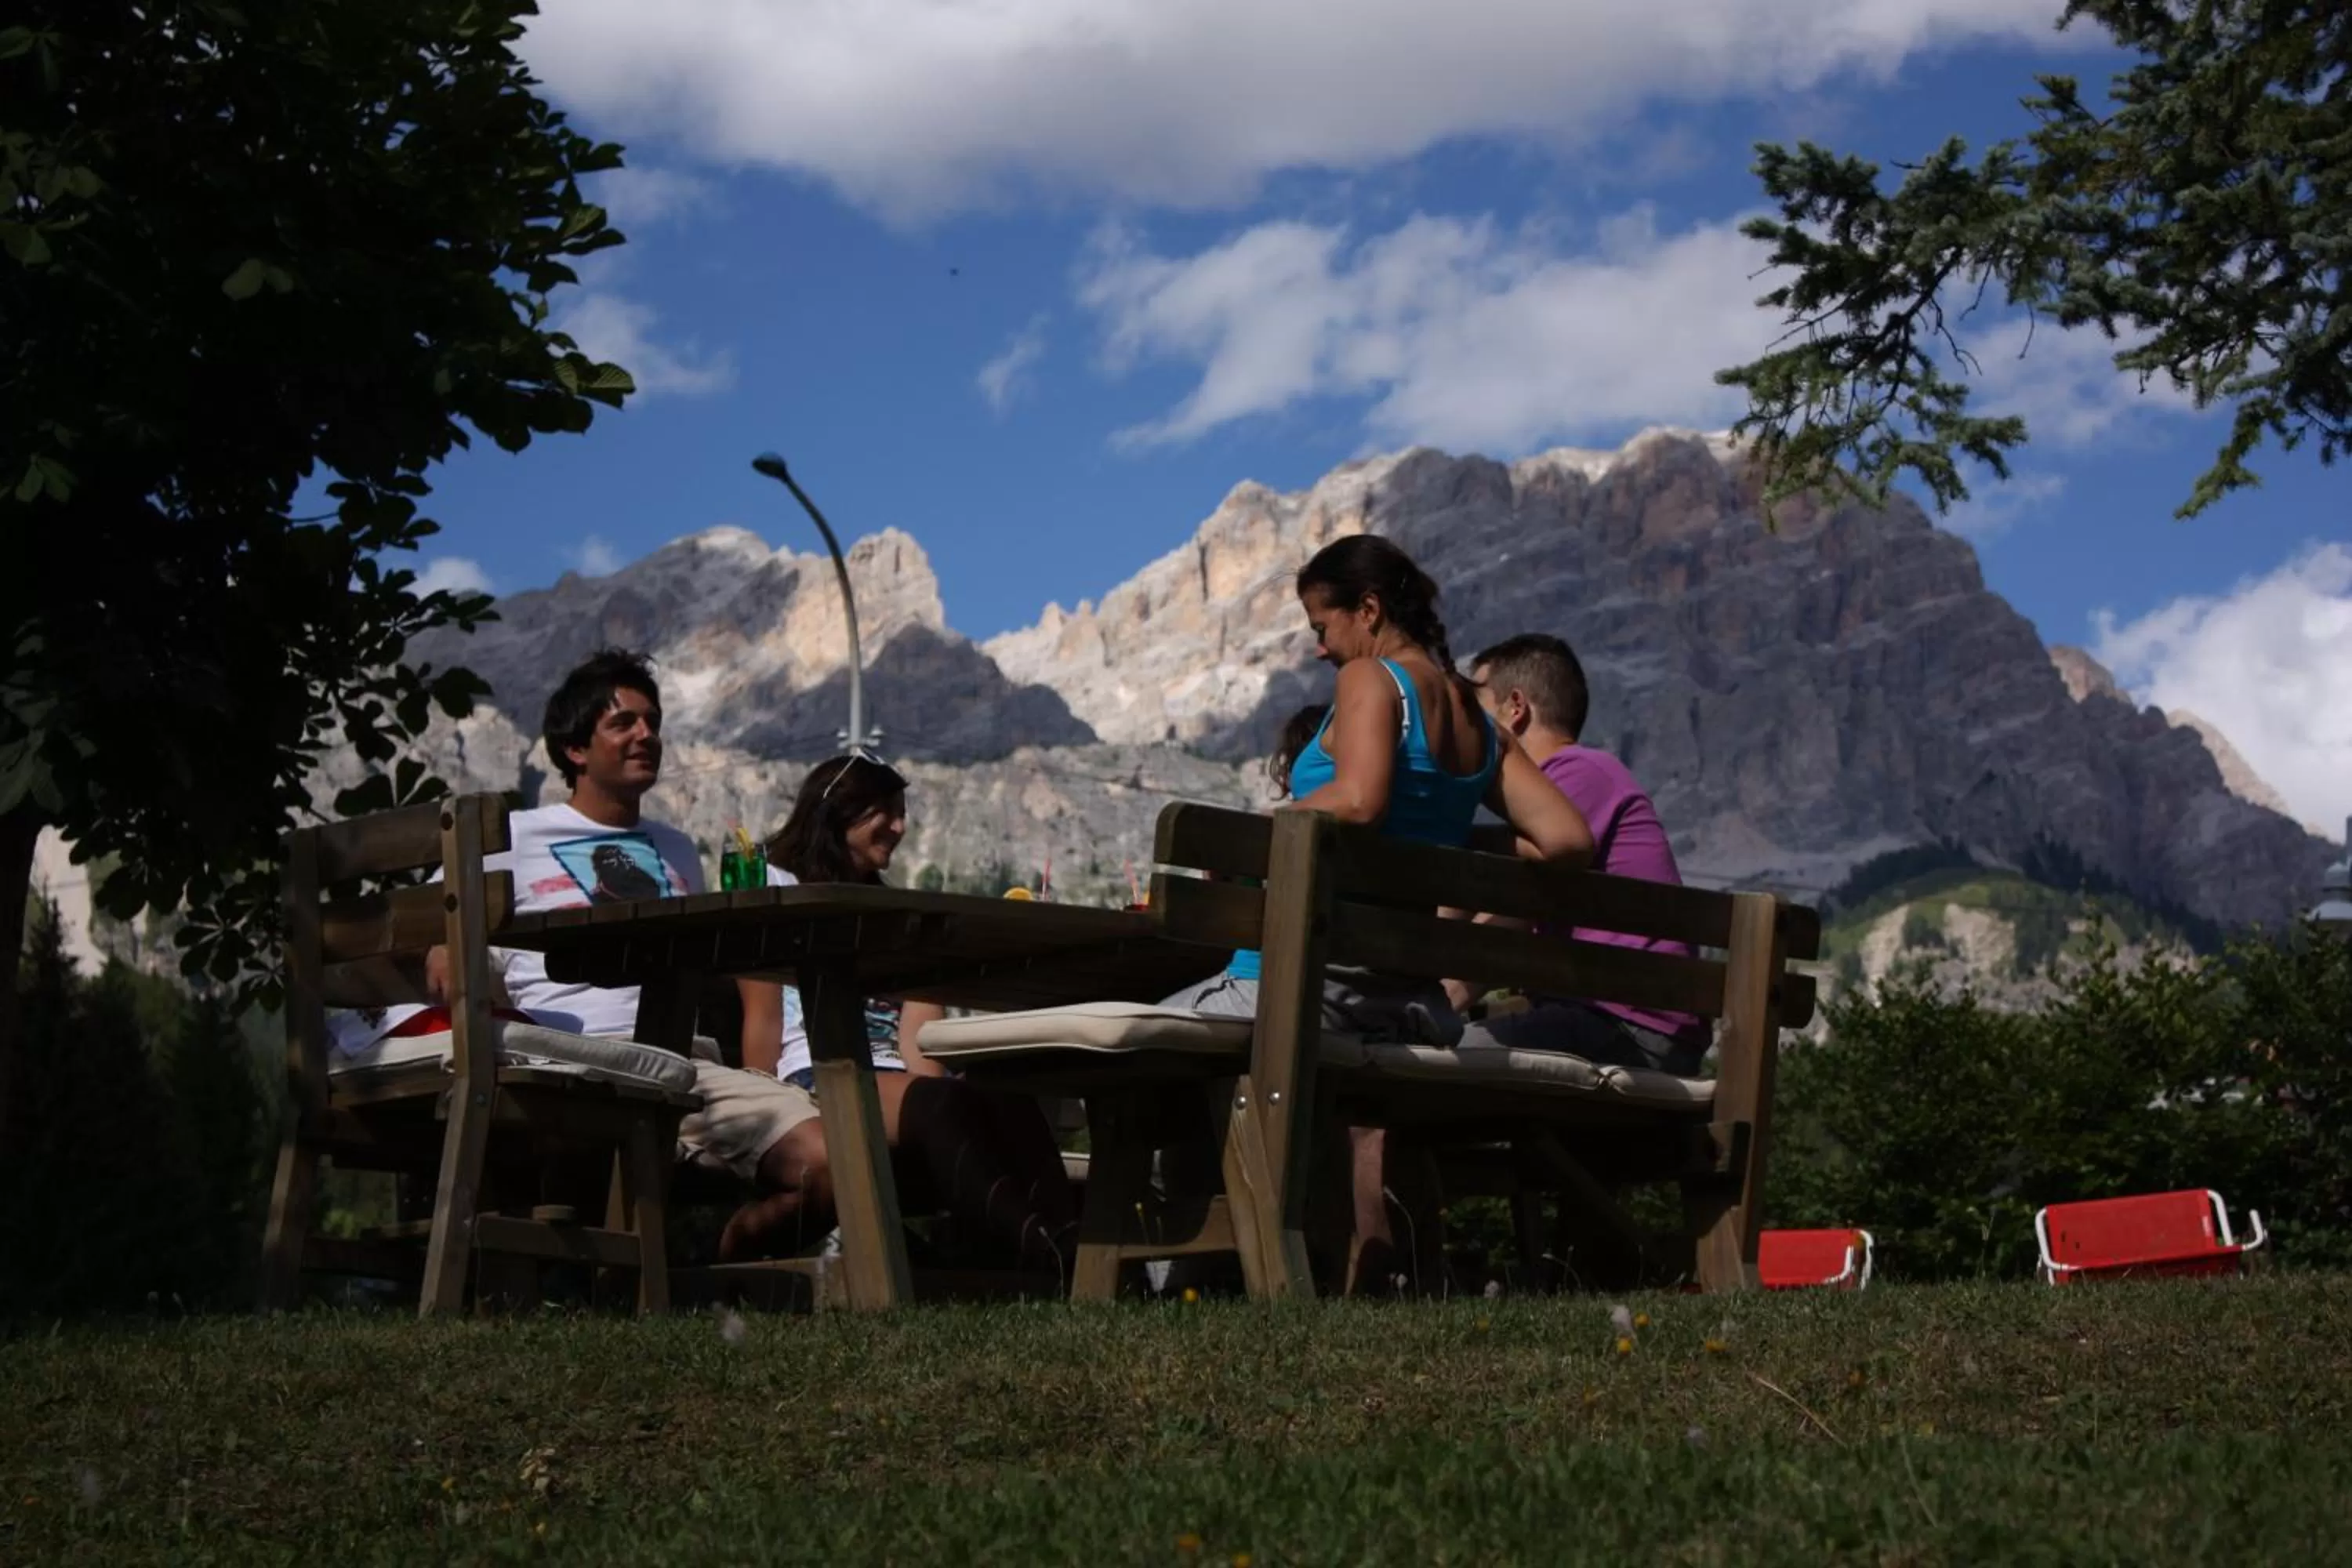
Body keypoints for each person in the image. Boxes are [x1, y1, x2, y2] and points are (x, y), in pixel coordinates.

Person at [1163, 535, 1594, 1292]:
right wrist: (1457, 838)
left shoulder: (1374, 680)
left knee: (1138, 1059)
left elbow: (1360, 798)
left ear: (1368, 610)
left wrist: (1264, 828)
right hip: (1402, 1002)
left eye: (1323, 628)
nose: (1323, 651)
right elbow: (1566, 839)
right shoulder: (1473, 716)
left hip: (1304, 986)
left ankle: (1171, 1280)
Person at [423, 648, 833, 1261]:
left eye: (653, 722)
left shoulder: (677, 850)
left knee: (832, 1164)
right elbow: (441, 957)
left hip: (680, 1065)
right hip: (565, 1067)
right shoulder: (510, 837)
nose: (647, 735)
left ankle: (724, 1268)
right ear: (575, 750)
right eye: (624, 723)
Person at [738, 753, 1079, 1277]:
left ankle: (1061, 1239)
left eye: (902, 812)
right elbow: (762, 1017)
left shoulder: (893, 914)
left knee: (1001, 1093)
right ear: (841, 812)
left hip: (893, 1083)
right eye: (886, 812)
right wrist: (759, 1115)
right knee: (944, 1101)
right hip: (813, 1074)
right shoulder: (772, 882)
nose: (899, 827)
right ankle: (1050, 1260)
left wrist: (947, 1103)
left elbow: (920, 1040)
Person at [1461, 633, 1711, 1075]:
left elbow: (1512, 913)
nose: (1463, 717)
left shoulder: (1576, 772)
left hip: (1628, 1026)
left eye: (1474, 700)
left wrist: (1440, 999)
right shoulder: (1584, 776)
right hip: (1612, 1017)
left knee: (1440, 1051)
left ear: (1515, 708)